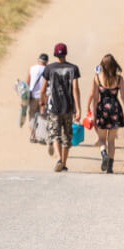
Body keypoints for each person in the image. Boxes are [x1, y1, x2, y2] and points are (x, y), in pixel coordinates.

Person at [86, 53, 124, 174]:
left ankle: (104, 154)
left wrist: (92, 112)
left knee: (101, 138)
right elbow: (123, 96)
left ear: (102, 65)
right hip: (115, 109)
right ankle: (110, 167)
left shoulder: (97, 78)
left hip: (102, 109)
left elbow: (94, 97)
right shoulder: (119, 79)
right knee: (111, 140)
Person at [39, 43, 81, 172]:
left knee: (55, 134)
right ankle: (64, 163)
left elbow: (43, 89)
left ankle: (58, 159)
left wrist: (42, 102)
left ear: (55, 54)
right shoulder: (73, 68)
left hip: (54, 107)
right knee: (67, 136)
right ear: (66, 53)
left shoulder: (49, 68)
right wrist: (78, 109)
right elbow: (75, 89)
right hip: (68, 107)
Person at [26, 53, 49, 142]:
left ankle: (33, 136)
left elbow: (27, 83)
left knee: (32, 115)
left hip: (33, 96)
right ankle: (42, 137)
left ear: (38, 60)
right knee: (43, 116)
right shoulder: (48, 70)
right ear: (47, 62)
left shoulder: (31, 69)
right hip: (44, 97)